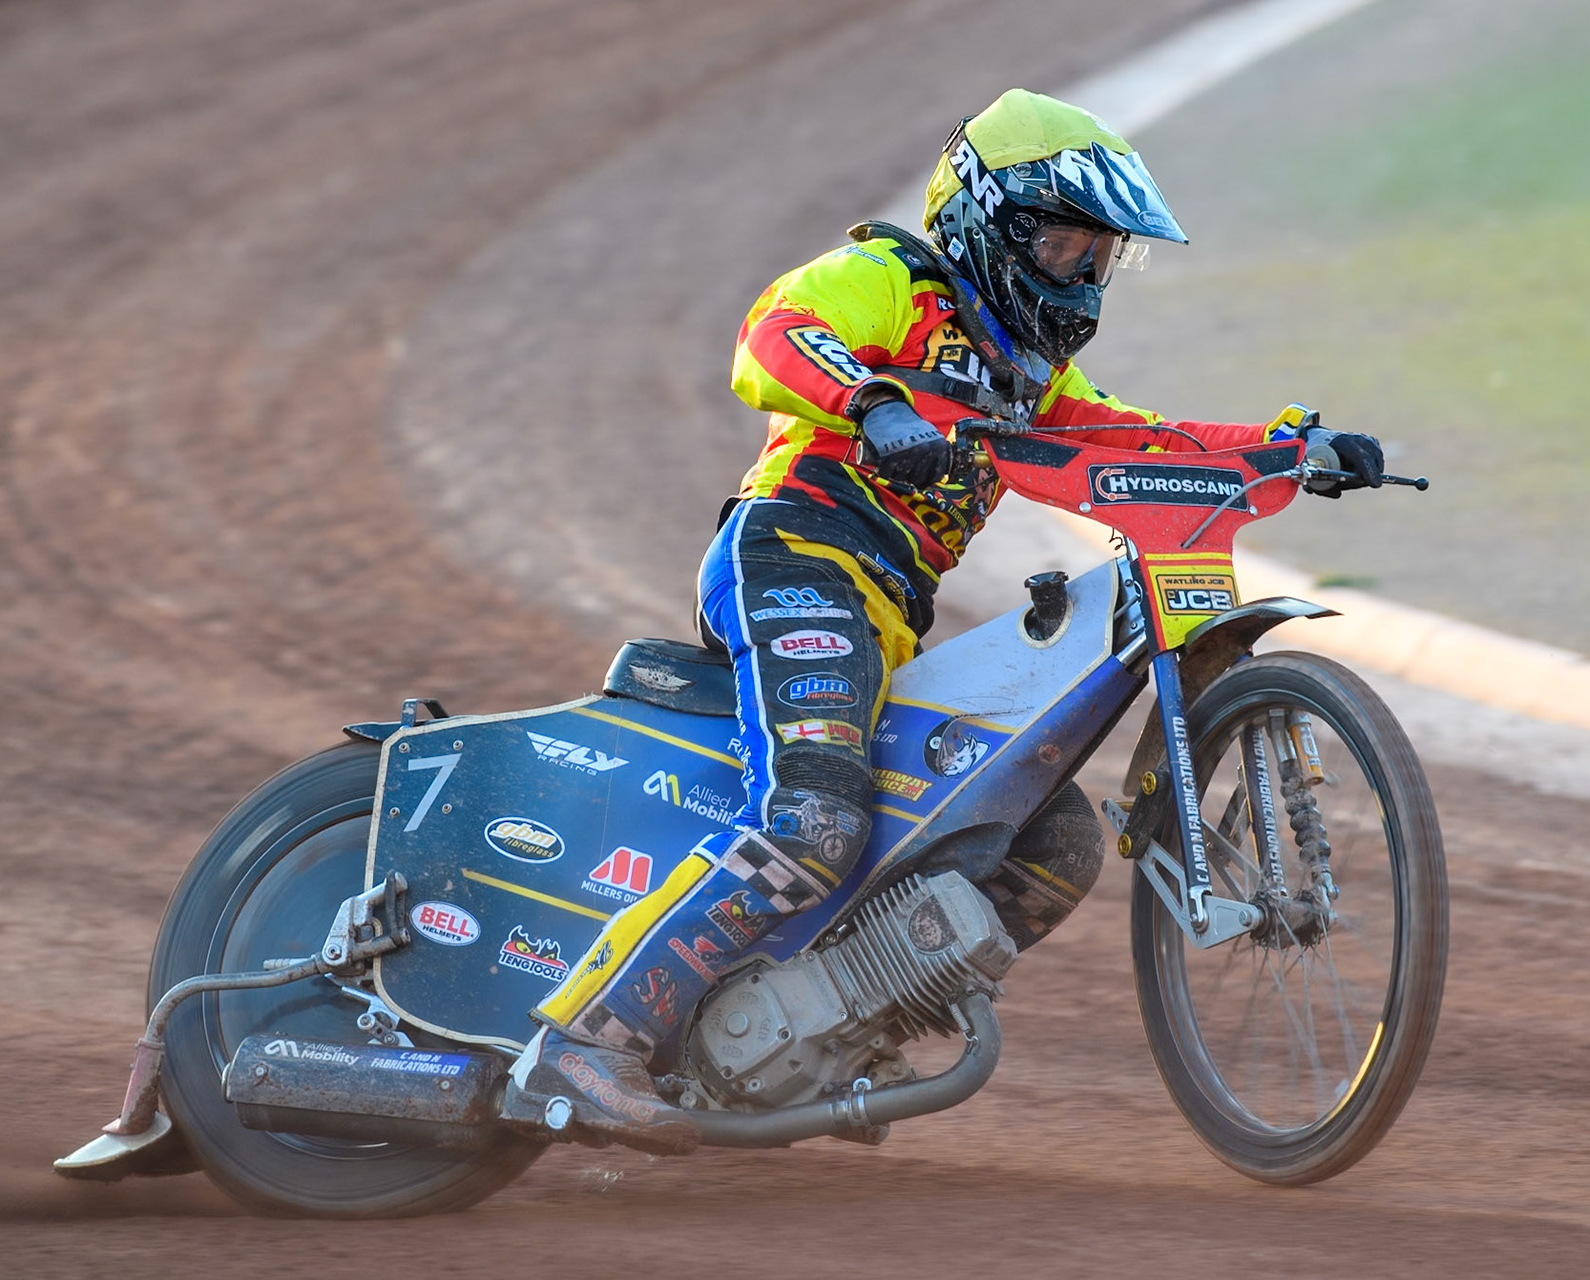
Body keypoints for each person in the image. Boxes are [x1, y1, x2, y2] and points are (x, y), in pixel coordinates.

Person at [507, 88, 1384, 1154]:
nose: (1082, 271)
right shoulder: (890, 280)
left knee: (1051, 838)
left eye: (1098, 253)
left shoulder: (1031, 373)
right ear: (989, 220)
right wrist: (876, 401)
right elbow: (768, 335)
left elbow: (1137, 439)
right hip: (797, 552)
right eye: (1064, 240)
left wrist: (1289, 444)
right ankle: (581, 1042)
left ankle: (836, 1025)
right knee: (815, 818)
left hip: (885, 612)